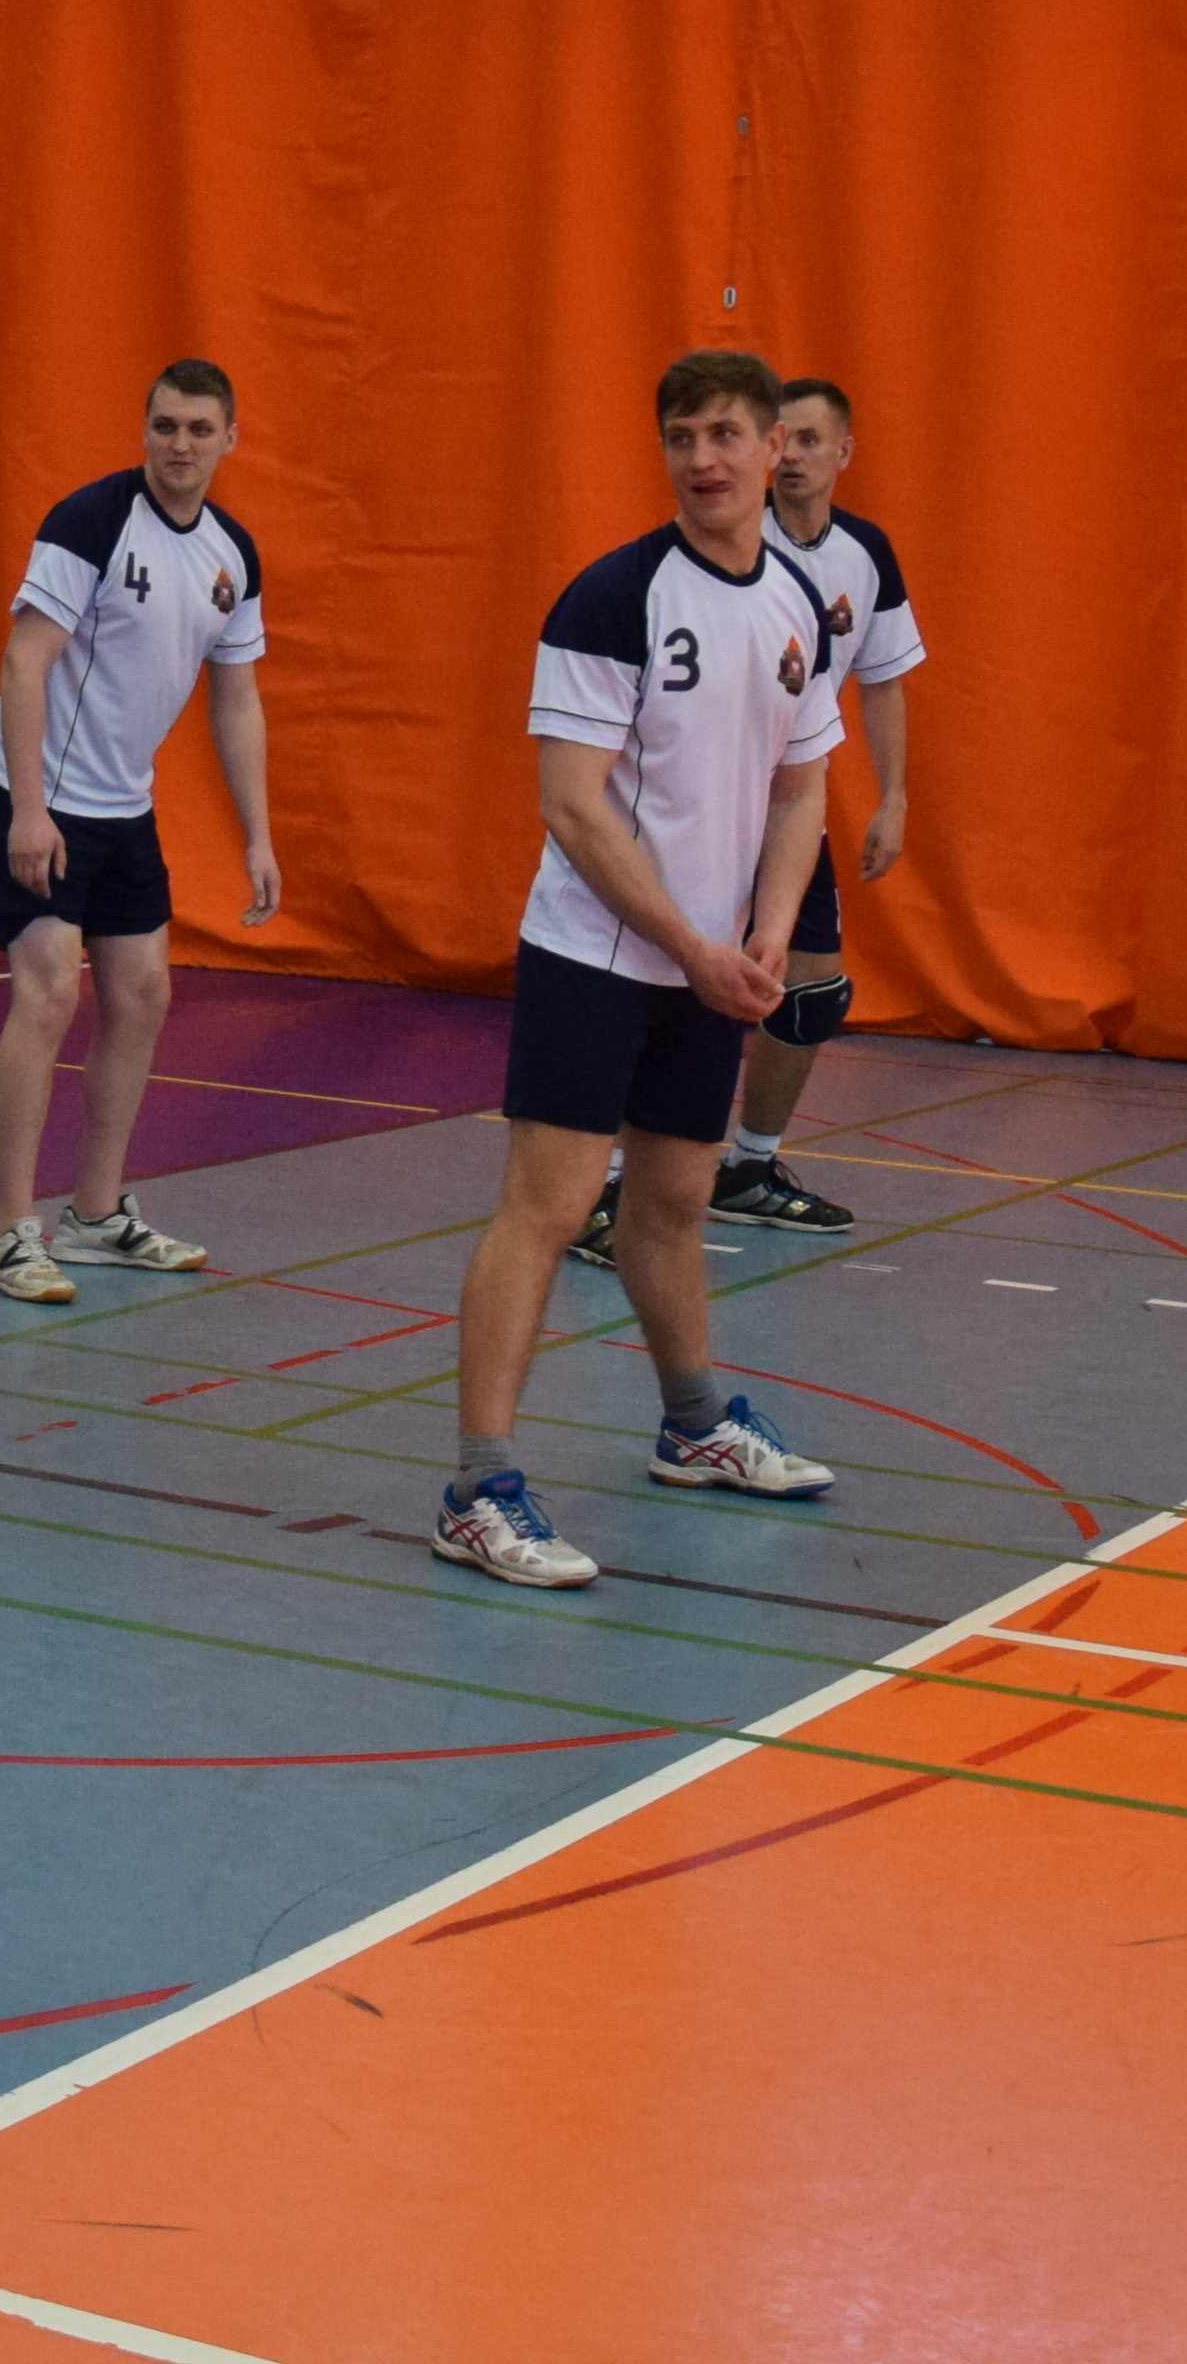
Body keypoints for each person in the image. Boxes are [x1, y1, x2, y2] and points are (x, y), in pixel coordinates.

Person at [433, 349, 851, 1591]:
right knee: (550, 1207)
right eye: (681, 436)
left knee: (673, 1202)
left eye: (725, 433)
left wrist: (769, 928)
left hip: (709, 967)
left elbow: (802, 784)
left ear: (775, 447)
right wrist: (694, 945)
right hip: (598, 954)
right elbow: (572, 805)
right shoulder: (613, 600)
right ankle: (477, 1488)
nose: (703, 459)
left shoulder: (797, 605)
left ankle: (694, 1425)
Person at [576, 372, 924, 1260]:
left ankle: (751, 1166)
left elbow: (882, 676)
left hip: (788, 805)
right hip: (696, 807)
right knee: (659, 985)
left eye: (811, 441)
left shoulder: (862, 555)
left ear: (843, 452)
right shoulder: (722, 547)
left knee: (807, 993)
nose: (794, 458)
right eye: (785, 440)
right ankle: (602, 1185)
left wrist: (892, 796)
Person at [0, 361, 280, 1305]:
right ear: (144, 430)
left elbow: (237, 699)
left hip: (124, 806)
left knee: (142, 996)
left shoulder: (232, 555)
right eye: (165, 426)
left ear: (231, 439)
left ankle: (96, 1216)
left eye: (199, 429)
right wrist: (29, 809)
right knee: (49, 993)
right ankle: (10, 1231)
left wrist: (259, 837)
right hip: (41, 795)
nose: (180, 445)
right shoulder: (90, 523)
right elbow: (24, 663)